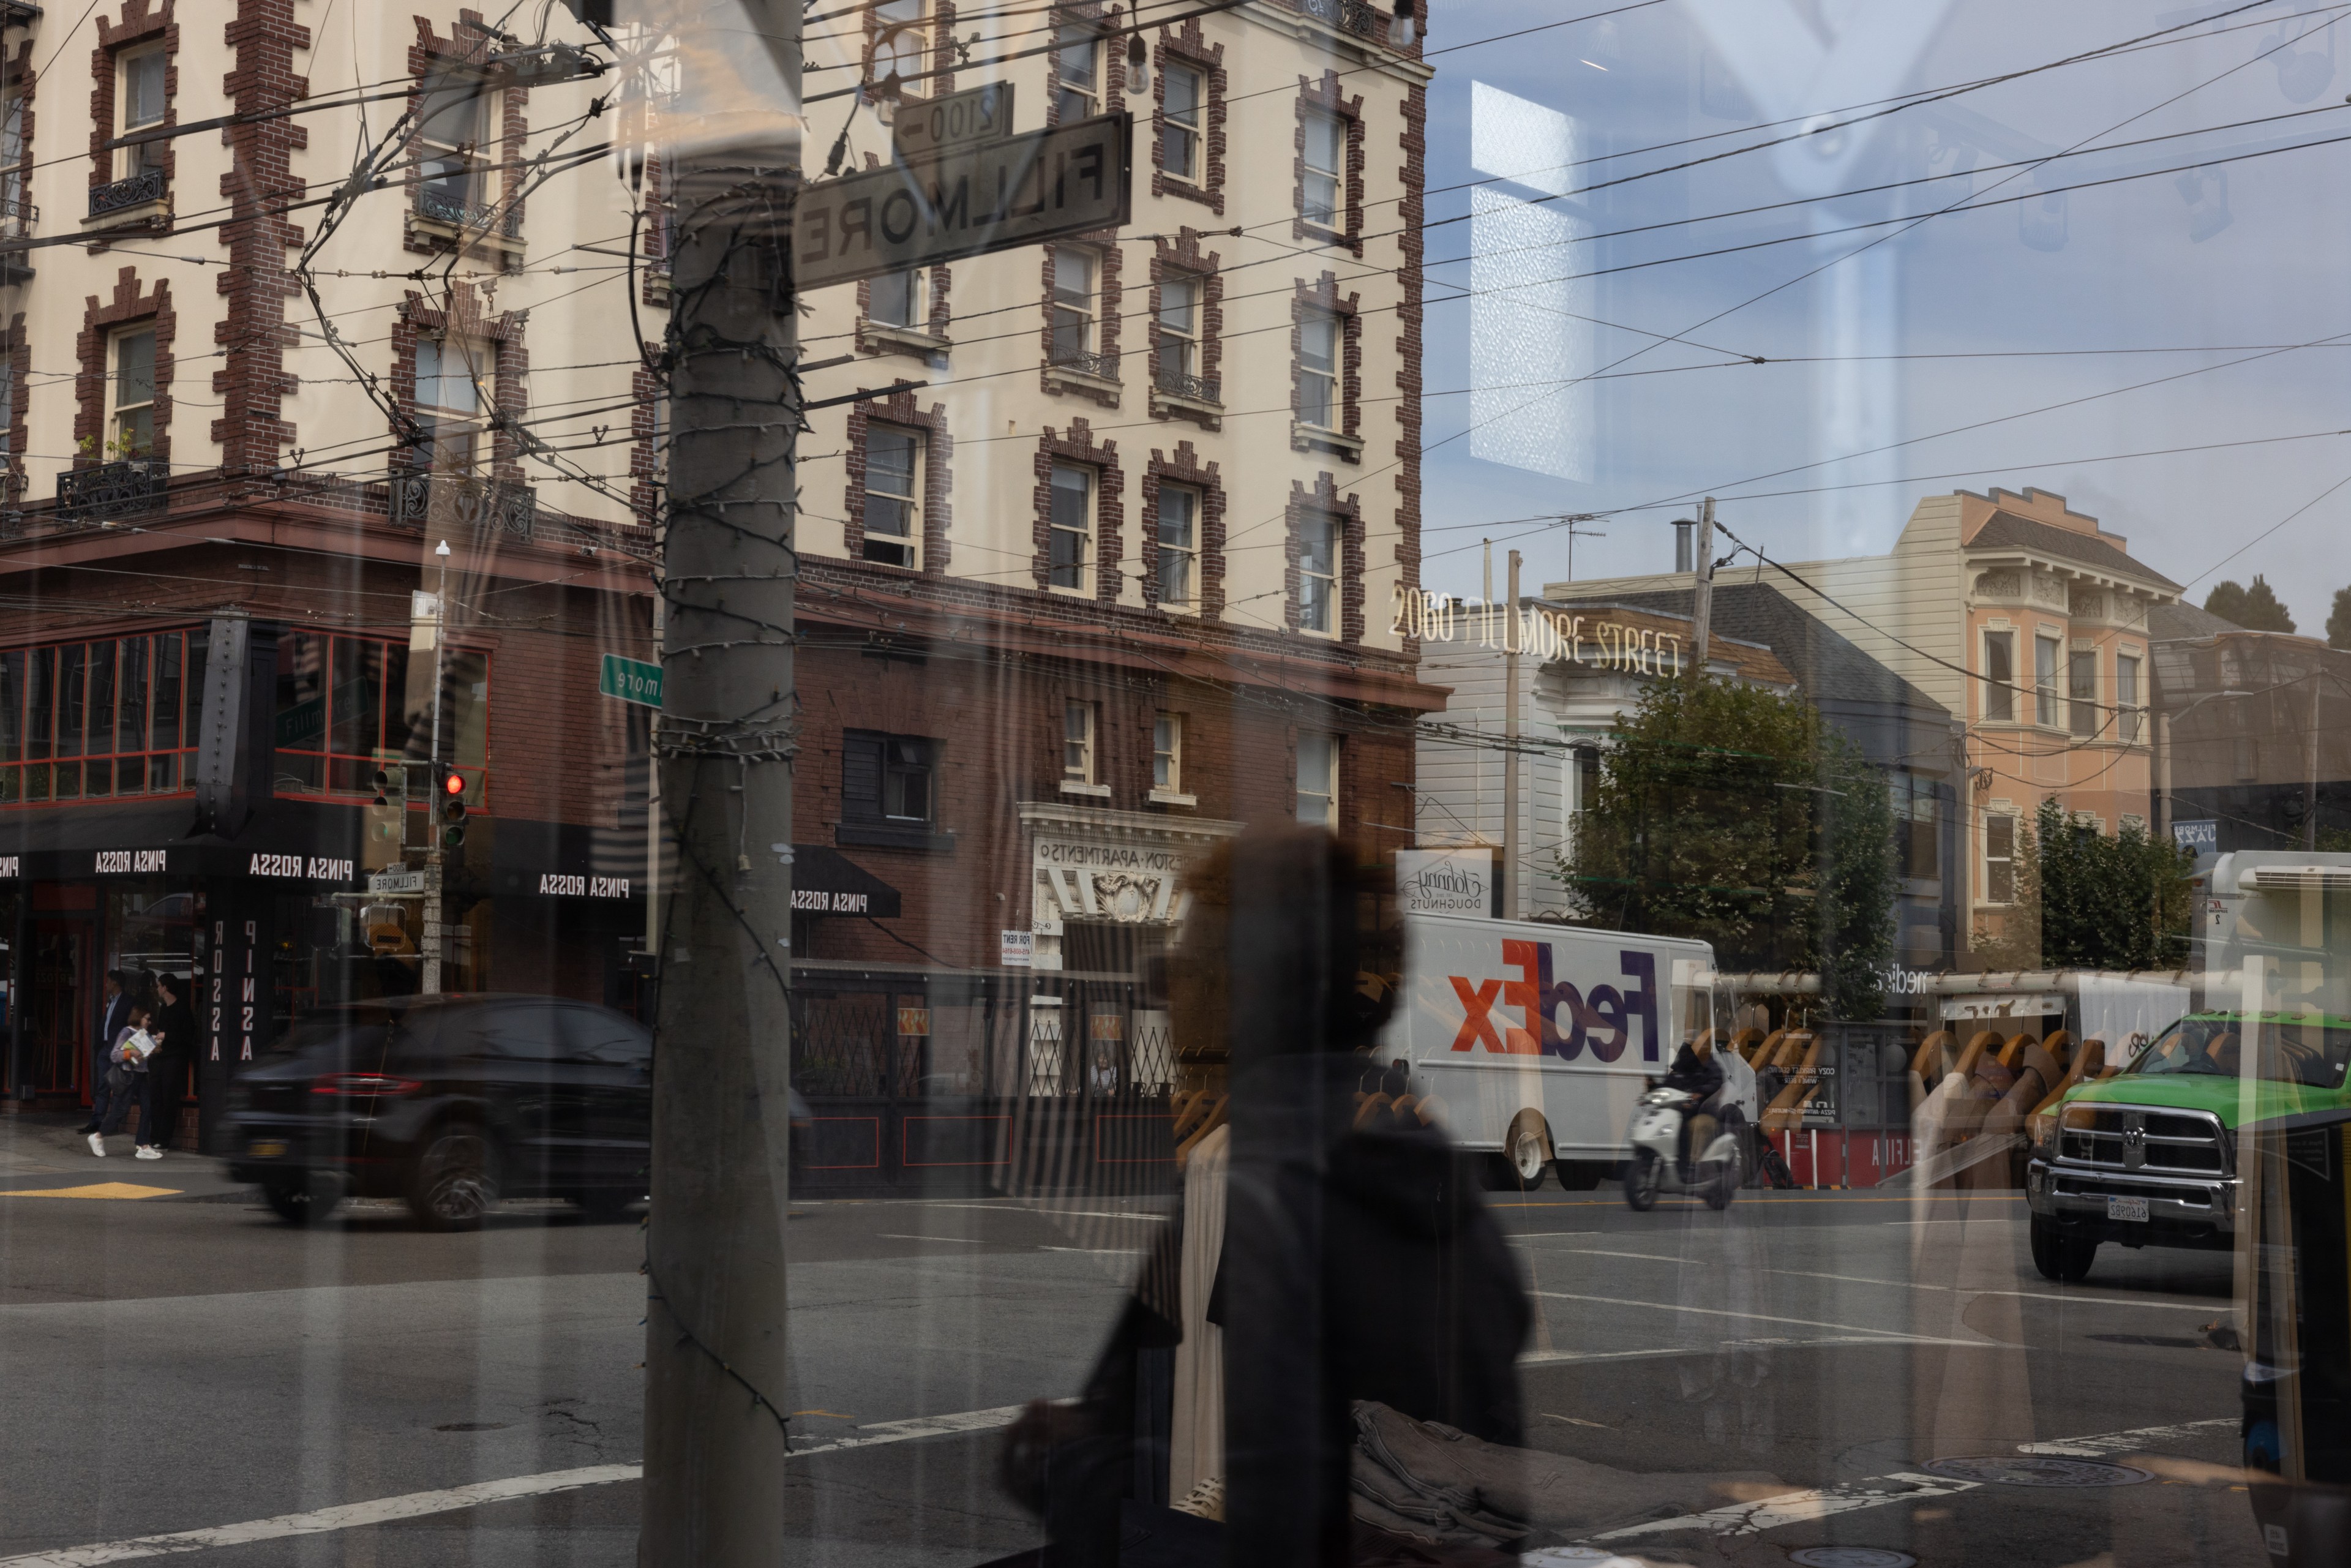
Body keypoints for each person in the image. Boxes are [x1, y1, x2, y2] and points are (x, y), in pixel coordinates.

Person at [91, 1001, 159, 1158]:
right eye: (146, 1019)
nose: (149, 1022)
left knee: (148, 1108)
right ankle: (97, 1137)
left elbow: (144, 1055)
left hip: (141, 1076)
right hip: (128, 1076)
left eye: (149, 1020)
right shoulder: (126, 1032)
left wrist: (154, 1047)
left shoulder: (144, 1034)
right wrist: (130, 1054)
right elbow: (115, 1055)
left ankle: (143, 1146)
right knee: (120, 1111)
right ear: (139, 1018)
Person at [79, 970, 134, 1139]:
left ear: (115, 983)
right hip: (104, 1049)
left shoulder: (128, 1002)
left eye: (108, 981)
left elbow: (132, 1028)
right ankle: (96, 1122)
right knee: (102, 1086)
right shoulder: (110, 1002)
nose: (106, 984)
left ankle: (111, 1124)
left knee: (117, 1086)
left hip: (117, 1051)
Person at [146, 972, 197, 1153]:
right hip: (161, 1058)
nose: (157, 988)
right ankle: (154, 1138)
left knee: (169, 1099)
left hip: (175, 1059)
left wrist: (167, 1036)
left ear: (166, 987)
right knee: (156, 1098)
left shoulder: (182, 1008)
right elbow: (162, 1032)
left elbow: (189, 1035)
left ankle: (164, 1140)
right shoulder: (164, 1009)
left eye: (159, 985)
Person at [1661, 1030, 1725, 1174]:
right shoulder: (1681, 1064)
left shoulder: (1707, 1063)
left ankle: (1693, 1166)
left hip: (1702, 1111)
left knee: (1697, 1126)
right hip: (1680, 1112)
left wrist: (1699, 1093)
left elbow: (1716, 1082)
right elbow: (1670, 1082)